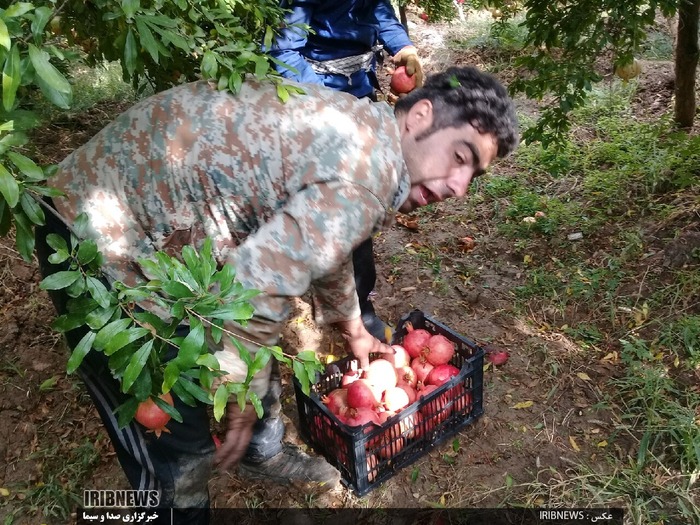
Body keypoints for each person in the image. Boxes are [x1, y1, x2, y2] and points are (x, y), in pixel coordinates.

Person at [35, 66, 518, 523]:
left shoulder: (363, 128)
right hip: (94, 233)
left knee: (253, 332)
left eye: (472, 175)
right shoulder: (364, 178)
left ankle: (259, 454)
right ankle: (176, 505)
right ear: (421, 115)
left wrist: (351, 326)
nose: (459, 187)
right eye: (460, 157)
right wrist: (239, 392)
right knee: (169, 424)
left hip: (172, 228)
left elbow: (318, 242)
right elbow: (258, 283)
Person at [269, 0, 425, 341]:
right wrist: (331, 107)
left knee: (359, 209)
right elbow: (284, 53)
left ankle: (359, 306)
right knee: (332, 203)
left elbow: (380, 13)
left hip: (360, 94)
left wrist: (404, 47)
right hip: (317, 103)